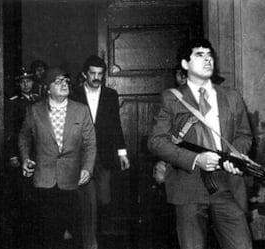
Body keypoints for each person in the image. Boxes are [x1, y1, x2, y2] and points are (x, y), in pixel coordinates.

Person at [148, 38, 253, 249]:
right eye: (199, 55)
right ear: (185, 65)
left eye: (209, 55)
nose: (207, 60)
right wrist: (196, 159)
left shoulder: (231, 97)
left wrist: (233, 157)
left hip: (227, 186)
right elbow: (156, 142)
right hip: (189, 187)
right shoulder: (172, 99)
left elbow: (244, 135)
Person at [19, 67, 96, 249]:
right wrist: (25, 158)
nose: (64, 84)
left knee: (76, 235)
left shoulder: (81, 111)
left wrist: (88, 168)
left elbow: (90, 143)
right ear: (47, 88)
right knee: (48, 235)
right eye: (58, 81)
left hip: (73, 181)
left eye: (66, 81)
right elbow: (23, 136)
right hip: (45, 180)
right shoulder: (34, 111)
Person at [71, 55, 130, 249]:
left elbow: (116, 125)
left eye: (100, 74)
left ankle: (93, 230)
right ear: (84, 74)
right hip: (82, 156)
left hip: (105, 155)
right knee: (87, 200)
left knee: (104, 198)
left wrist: (122, 153)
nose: (97, 77)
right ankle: (90, 241)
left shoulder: (111, 95)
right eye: (93, 73)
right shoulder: (75, 94)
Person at [4, 67, 40, 249]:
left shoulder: (40, 100)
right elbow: (10, 131)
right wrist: (12, 155)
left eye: (29, 81)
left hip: (39, 153)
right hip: (22, 152)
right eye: (23, 81)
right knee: (24, 192)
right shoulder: (14, 103)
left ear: (34, 82)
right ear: (19, 84)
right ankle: (24, 233)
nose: (26, 84)